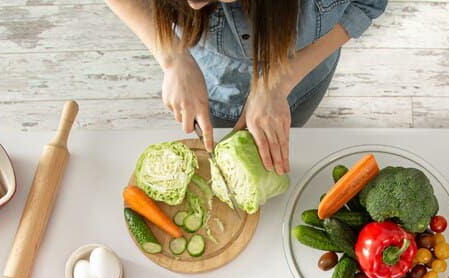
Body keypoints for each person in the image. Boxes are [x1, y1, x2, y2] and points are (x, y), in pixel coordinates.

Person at [106, 0, 387, 174]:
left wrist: (278, 81)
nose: (190, 4)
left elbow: (365, 4)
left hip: (304, 76)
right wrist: (172, 57)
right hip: (208, 79)